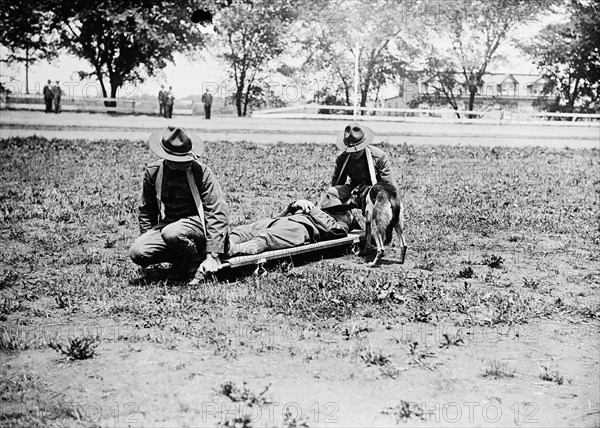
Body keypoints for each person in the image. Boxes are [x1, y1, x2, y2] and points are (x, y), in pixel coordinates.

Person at [128, 127, 230, 283]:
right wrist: (150, 238)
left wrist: (213, 254)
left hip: (199, 226)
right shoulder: (154, 173)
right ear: (169, 159)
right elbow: (147, 210)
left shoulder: (201, 172)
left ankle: (196, 266)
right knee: (138, 251)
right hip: (171, 227)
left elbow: (216, 211)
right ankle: (181, 261)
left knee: (172, 232)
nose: (188, 162)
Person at [228, 197, 359, 256]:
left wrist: (313, 209)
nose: (346, 214)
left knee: (269, 236)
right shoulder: (322, 214)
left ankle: (240, 248)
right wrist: (294, 205)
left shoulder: (339, 225)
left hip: (300, 227)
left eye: (345, 213)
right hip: (282, 220)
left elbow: (336, 232)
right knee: (245, 230)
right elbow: (280, 215)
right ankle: (224, 244)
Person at [321, 122, 396, 207]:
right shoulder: (342, 158)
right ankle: (341, 218)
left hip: (375, 193)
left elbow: (390, 188)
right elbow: (337, 183)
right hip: (355, 190)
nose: (355, 154)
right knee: (332, 192)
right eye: (351, 151)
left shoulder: (379, 157)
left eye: (358, 150)